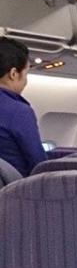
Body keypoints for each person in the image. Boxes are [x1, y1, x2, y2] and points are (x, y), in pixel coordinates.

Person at [0, 37, 46, 176]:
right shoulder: (18, 112)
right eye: (26, 74)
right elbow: (39, 165)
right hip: (13, 187)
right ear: (13, 74)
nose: (26, 81)